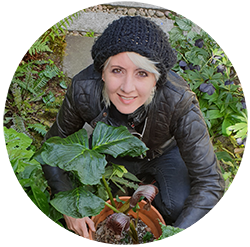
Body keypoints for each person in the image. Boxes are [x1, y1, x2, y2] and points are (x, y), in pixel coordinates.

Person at [41, 16, 225, 241]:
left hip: (163, 153)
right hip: (111, 152)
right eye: (117, 70)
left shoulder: (178, 101)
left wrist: (174, 241)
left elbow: (209, 182)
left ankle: (150, 185)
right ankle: (139, 188)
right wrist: (68, 203)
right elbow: (52, 145)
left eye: (142, 73)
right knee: (98, 205)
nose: (127, 88)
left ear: (157, 79)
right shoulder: (83, 89)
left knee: (176, 207)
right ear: (102, 72)